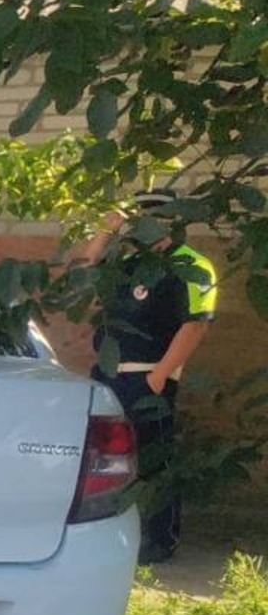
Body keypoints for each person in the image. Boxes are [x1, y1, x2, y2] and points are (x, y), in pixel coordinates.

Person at [79, 188, 219, 563]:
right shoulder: (128, 264)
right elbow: (84, 275)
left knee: (153, 460)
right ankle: (106, 536)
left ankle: (159, 541)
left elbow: (196, 324)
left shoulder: (192, 265)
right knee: (104, 460)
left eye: (156, 216)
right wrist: (107, 229)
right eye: (140, 217)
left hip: (147, 379)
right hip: (108, 377)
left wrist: (158, 377)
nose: (147, 224)